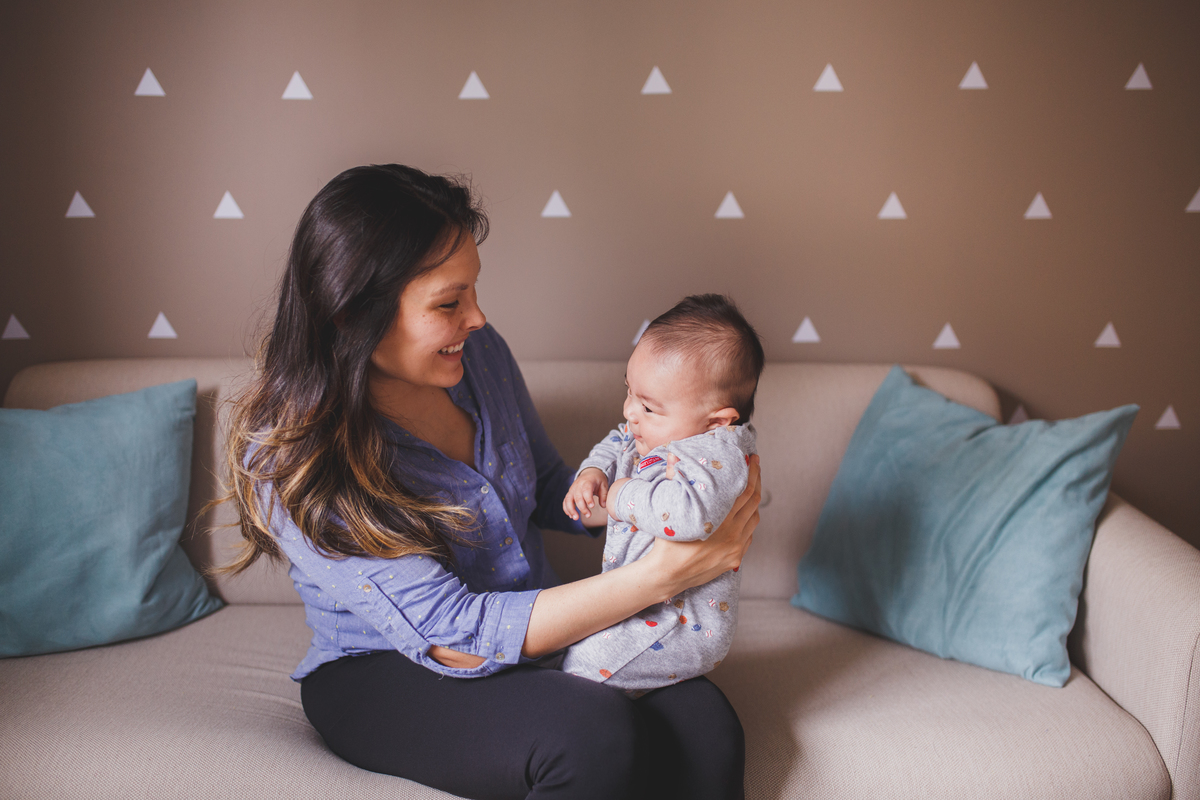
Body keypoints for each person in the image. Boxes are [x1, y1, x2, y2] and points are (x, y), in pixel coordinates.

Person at [220, 164, 761, 800]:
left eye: (472, 291)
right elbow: (457, 638)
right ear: (352, 316)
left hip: (537, 631)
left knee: (705, 726)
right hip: (389, 669)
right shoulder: (296, 457)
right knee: (587, 732)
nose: (477, 318)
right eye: (449, 304)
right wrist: (667, 572)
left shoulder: (476, 356)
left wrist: (675, 502)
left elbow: (550, 487)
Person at [560, 294, 763, 693]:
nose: (629, 411)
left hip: (680, 623)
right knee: (564, 645)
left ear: (717, 421)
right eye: (629, 390)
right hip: (642, 602)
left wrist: (619, 495)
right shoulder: (657, 432)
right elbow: (616, 441)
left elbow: (687, 514)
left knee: (581, 665)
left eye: (649, 407)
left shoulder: (714, 454)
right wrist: (593, 472)